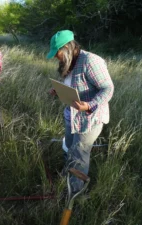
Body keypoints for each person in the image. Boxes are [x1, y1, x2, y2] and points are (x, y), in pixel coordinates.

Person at [47, 30, 114, 193]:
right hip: (72, 115)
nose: (56, 57)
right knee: (69, 147)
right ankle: (67, 177)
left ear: (67, 48)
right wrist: (59, 90)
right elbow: (74, 85)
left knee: (79, 155)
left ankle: (74, 193)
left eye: (57, 53)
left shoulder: (90, 61)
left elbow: (108, 89)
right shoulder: (68, 63)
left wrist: (90, 105)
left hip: (89, 119)